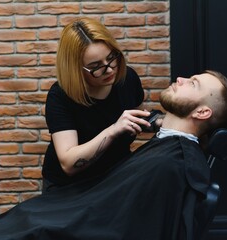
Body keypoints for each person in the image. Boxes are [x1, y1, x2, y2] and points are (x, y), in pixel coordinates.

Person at [0, 70, 227, 240]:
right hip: (69, 205)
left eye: (193, 83)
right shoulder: (171, 146)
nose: (180, 78)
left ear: (202, 111)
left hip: (68, 222)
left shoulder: (171, 165)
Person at [42, 17, 151, 189]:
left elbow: (137, 120)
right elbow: (69, 164)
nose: (109, 69)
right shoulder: (60, 96)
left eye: (111, 57)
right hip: (68, 188)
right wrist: (114, 130)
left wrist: (162, 122)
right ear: (75, 69)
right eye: (95, 66)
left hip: (115, 176)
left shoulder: (127, 78)